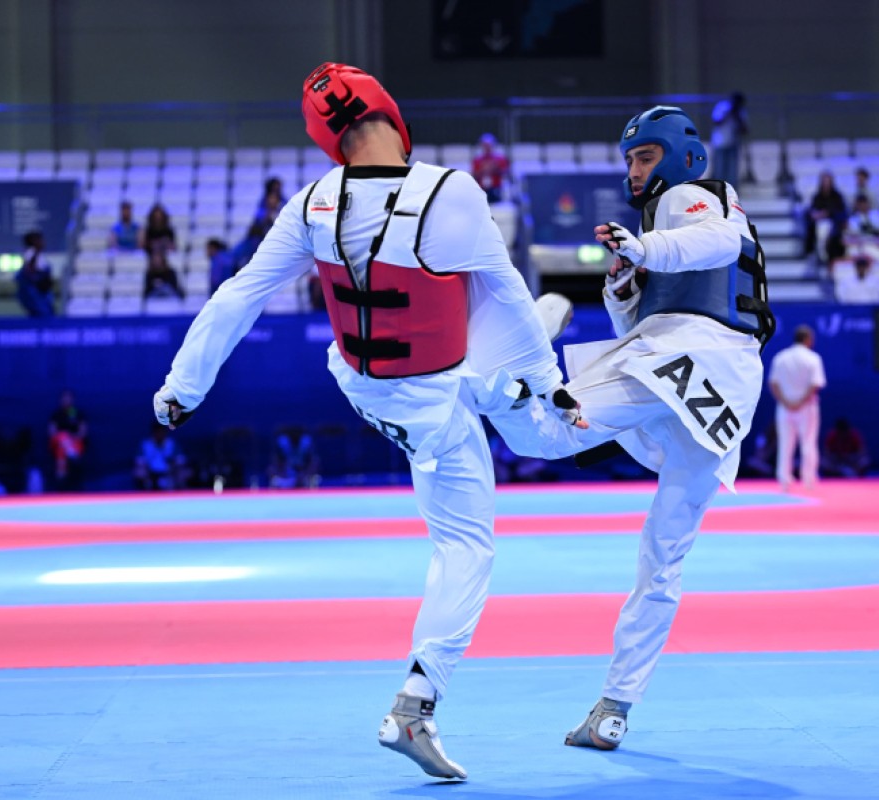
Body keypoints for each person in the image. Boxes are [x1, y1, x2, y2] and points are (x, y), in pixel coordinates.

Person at [151, 63, 570, 782]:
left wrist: (180, 388)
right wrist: (552, 381)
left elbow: (237, 295)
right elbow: (505, 292)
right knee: (491, 509)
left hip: (368, 387)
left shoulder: (311, 204)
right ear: (390, 113)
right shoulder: (452, 192)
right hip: (439, 398)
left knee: (483, 353)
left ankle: (511, 389)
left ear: (328, 139)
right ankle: (416, 703)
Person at [487, 104, 773, 752]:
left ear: (683, 158)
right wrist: (623, 290)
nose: (634, 170)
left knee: (543, 436)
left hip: (686, 357)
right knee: (662, 555)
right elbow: (641, 321)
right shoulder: (659, 227)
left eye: (645, 156)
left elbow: (719, 242)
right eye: (629, 160)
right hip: (717, 388)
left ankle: (511, 369)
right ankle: (615, 707)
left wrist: (646, 250)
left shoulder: (699, 197)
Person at [767, 325, 826, 490]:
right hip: (806, 407)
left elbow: (773, 383)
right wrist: (799, 402)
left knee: (785, 443)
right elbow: (815, 384)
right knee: (808, 442)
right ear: (807, 339)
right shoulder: (813, 358)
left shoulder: (781, 357)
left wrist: (786, 401)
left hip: (785, 407)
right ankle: (809, 478)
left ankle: (784, 479)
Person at [803, 171, 847, 264]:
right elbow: (813, 210)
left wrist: (827, 213)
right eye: (824, 181)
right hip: (818, 223)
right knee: (811, 226)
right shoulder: (817, 196)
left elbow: (840, 211)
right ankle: (811, 253)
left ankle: (830, 256)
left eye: (828, 181)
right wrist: (815, 214)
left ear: (831, 182)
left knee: (831, 231)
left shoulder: (837, 196)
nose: (826, 184)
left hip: (833, 224)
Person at [48, 389, 87, 490]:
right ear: (60, 399)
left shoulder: (78, 413)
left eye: (69, 397)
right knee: (63, 435)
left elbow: (83, 432)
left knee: (61, 452)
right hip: (58, 442)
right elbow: (52, 432)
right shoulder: (56, 414)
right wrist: (64, 437)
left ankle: (61, 480)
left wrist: (71, 438)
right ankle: (71, 453)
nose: (66, 400)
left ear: (72, 399)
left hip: (74, 443)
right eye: (64, 397)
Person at [133, 421, 189, 490]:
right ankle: (143, 493)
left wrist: (173, 465)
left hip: (169, 472)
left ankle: (181, 493)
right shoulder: (145, 444)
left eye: (161, 431)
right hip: (150, 473)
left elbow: (181, 460)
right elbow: (139, 461)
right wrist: (147, 467)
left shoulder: (172, 443)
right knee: (139, 471)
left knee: (183, 472)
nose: (159, 434)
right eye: (157, 431)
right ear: (153, 432)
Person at [709, 91, 748, 186]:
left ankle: (731, 189)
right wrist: (729, 113)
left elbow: (744, 129)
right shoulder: (722, 106)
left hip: (733, 143)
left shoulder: (740, 111)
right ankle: (719, 188)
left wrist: (737, 116)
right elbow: (716, 121)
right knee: (719, 169)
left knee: (732, 171)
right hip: (720, 143)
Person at [15, 231, 55, 317]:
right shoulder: (31, 253)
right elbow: (30, 270)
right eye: (39, 240)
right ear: (33, 242)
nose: (43, 242)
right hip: (36, 292)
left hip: (43, 290)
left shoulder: (39, 254)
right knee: (42, 314)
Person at [470, 133, 510, 203]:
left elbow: (506, 173)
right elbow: (474, 175)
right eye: (485, 145)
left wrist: (495, 169)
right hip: (481, 189)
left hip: (496, 188)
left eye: (489, 145)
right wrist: (483, 170)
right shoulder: (477, 160)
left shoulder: (500, 159)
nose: (487, 148)